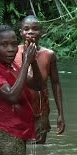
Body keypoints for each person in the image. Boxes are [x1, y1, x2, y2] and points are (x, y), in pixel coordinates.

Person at [0, 24, 43, 155]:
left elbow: (38, 85)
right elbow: (12, 96)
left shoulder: (12, 66)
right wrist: (26, 62)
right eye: (4, 45)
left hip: (17, 134)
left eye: (14, 44)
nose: (11, 49)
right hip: (6, 134)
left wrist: (32, 61)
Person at [14, 15, 65, 144]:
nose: (30, 32)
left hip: (41, 110)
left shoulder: (49, 55)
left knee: (39, 149)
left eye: (35, 29)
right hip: (17, 110)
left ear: (41, 32)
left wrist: (60, 114)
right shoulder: (13, 53)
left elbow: (55, 83)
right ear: (21, 33)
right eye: (26, 29)